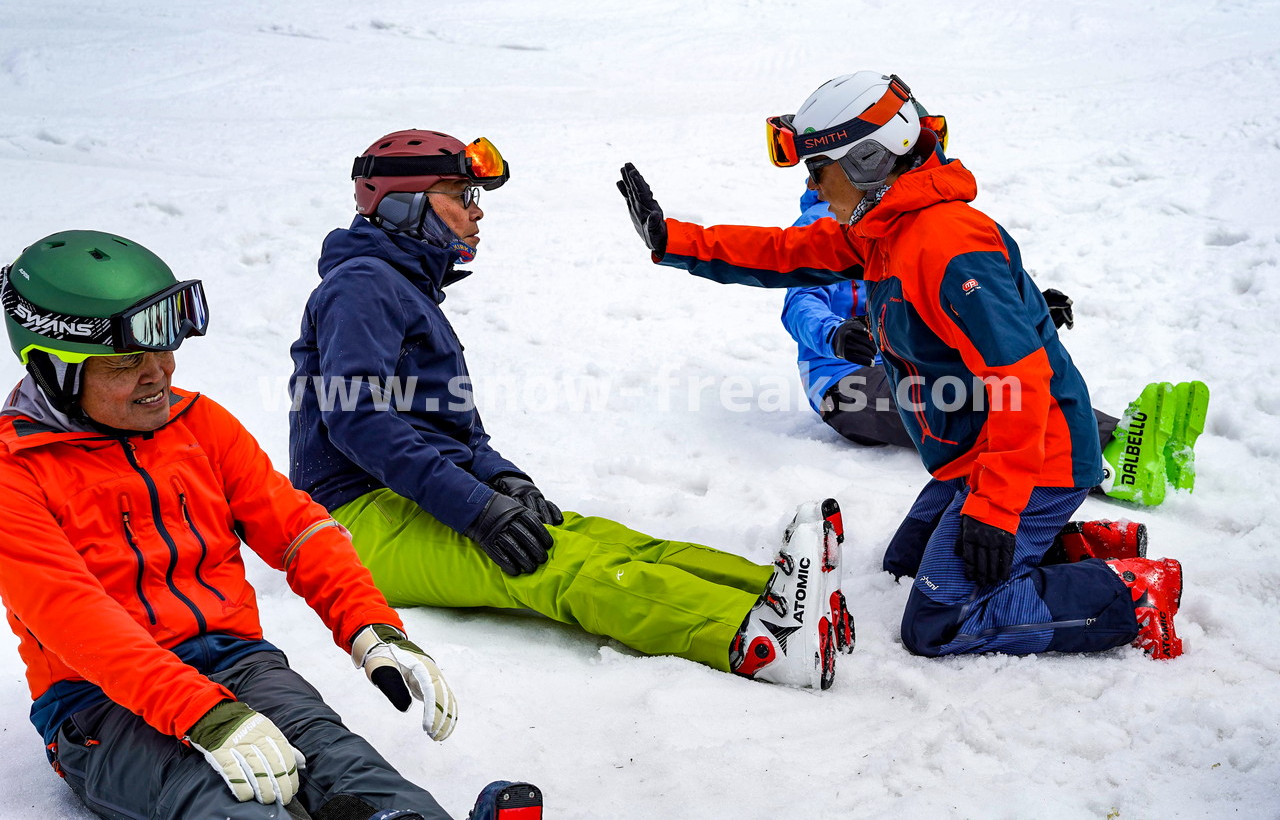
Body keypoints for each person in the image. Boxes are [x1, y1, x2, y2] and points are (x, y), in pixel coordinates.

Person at [617, 71, 1190, 660]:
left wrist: (996, 508)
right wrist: (675, 240)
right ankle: (1076, 551)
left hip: (1039, 457)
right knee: (905, 566)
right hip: (977, 454)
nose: (814, 186)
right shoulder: (887, 231)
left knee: (938, 622)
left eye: (819, 170)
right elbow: (790, 255)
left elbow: (1022, 383)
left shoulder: (944, 243)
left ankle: (1130, 595)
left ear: (868, 160)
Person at [287, 130, 851, 694]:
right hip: (354, 521)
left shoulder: (401, 291)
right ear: (403, 203)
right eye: (462, 196)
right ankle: (755, 638)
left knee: (606, 540)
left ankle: (780, 595)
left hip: (407, 496)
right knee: (555, 567)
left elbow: (455, 432)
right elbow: (357, 420)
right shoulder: (361, 286)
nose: (476, 214)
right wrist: (477, 509)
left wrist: (501, 479)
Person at [0, 230, 533, 820]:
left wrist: (371, 627)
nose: (158, 374)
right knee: (233, 802)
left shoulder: (197, 424)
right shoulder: (14, 473)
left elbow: (298, 528)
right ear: (52, 366)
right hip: (100, 703)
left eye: (165, 351)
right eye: (128, 360)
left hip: (240, 661)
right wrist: (205, 715)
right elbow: (75, 618)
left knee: (348, 771)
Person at [782, 186, 1209, 510]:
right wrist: (835, 334)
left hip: (902, 361)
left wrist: (1027, 309)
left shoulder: (898, 226)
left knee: (1001, 378)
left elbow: (949, 292)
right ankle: (1112, 458)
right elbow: (799, 302)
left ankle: (1126, 435)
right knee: (972, 400)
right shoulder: (827, 223)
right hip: (846, 385)